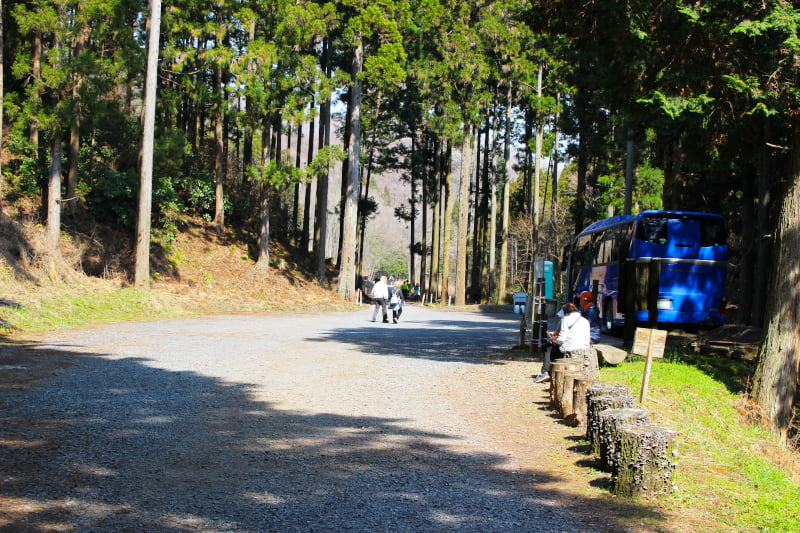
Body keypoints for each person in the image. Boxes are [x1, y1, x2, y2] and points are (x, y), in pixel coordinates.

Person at [534, 303, 591, 384]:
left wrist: (554, 340)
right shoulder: (585, 320)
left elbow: (562, 339)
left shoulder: (566, 319)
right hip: (584, 348)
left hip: (571, 349)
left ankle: (545, 372)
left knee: (547, 348)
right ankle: (551, 372)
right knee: (552, 348)